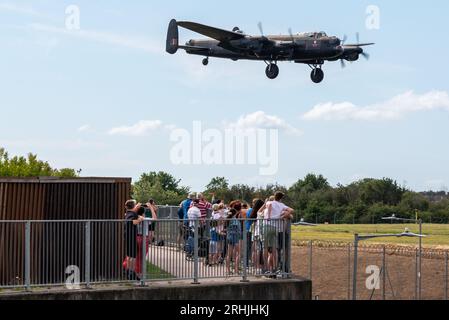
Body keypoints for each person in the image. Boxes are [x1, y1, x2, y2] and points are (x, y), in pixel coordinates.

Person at [266, 192, 294, 276]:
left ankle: (273, 270)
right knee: (279, 250)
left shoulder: (269, 203)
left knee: (272, 251)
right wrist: (285, 214)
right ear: (281, 198)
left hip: (271, 228)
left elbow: (267, 207)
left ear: (274, 196)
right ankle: (278, 269)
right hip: (279, 230)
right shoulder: (282, 205)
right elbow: (292, 210)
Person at [123, 200, 144, 280]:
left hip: (128, 236)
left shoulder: (129, 213)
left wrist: (139, 217)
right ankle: (131, 273)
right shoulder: (132, 214)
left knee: (129, 255)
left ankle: (129, 272)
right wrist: (139, 220)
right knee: (133, 256)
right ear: (133, 206)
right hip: (131, 236)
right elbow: (130, 222)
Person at [226, 206, 242, 275]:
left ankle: (228, 270)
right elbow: (237, 229)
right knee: (238, 253)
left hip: (229, 237)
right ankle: (236, 269)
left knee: (229, 254)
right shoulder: (235, 220)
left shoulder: (229, 219)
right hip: (235, 237)